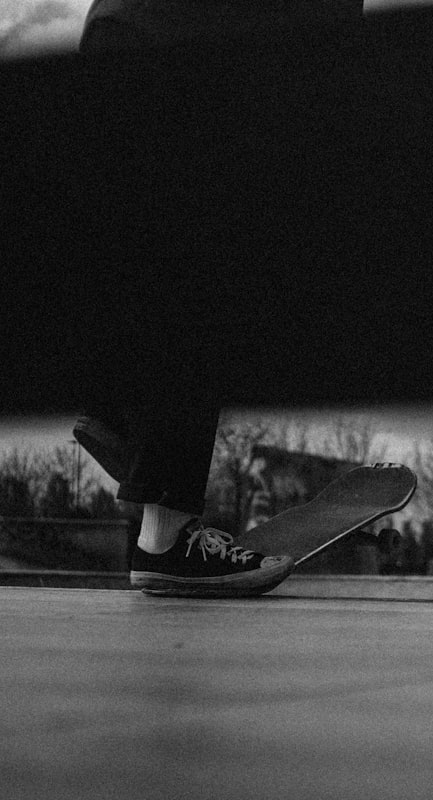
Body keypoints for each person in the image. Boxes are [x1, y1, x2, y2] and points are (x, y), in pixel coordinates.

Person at [75, 0, 363, 596]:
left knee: (152, 252)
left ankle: (118, 411)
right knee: (210, 269)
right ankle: (169, 531)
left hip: (120, 27)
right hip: (191, 54)